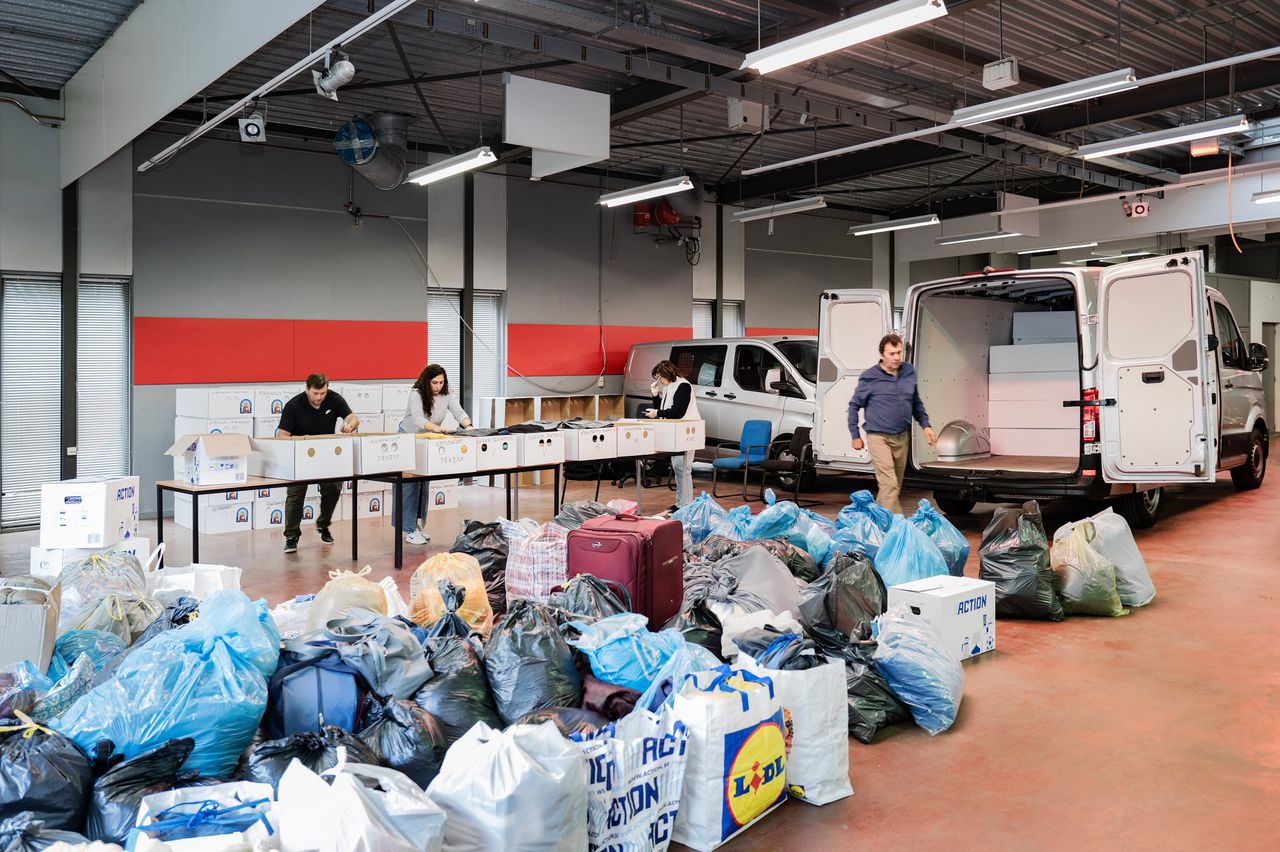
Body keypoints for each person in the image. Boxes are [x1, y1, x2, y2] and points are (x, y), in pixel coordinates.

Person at [848, 333, 936, 517]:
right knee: (890, 484)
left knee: (893, 487)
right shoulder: (869, 377)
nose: (896, 357)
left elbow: (916, 402)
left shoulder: (908, 372)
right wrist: (855, 435)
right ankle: (896, 528)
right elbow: (854, 405)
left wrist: (926, 426)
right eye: (891, 353)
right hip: (878, 437)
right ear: (882, 354)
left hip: (901, 437)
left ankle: (875, 524)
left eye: (898, 352)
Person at [277, 373, 360, 554]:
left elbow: (353, 418)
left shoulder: (335, 399)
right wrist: (296, 444)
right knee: (296, 494)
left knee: (334, 488)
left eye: (322, 393)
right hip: (300, 455)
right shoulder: (293, 405)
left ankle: (323, 525)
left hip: (326, 455)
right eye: (315, 393)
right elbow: (282, 434)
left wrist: (349, 426)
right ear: (307, 390)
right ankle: (291, 536)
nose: (319, 397)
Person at [396, 364, 473, 545]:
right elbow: (417, 418)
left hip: (428, 439)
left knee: (423, 484)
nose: (438, 386)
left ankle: (416, 526)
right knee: (409, 486)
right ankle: (408, 529)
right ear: (426, 381)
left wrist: (468, 425)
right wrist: (436, 428)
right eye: (434, 382)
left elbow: (458, 412)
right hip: (410, 438)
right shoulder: (416, 394)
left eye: (441, 382)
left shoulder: (447, 394)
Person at [645, 359, 700, 510]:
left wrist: (657, 412)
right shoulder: (669, 386)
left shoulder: (683, 386)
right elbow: (663, 410)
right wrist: (655, 396)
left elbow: (677, 412)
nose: (659, 381)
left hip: (687, 431)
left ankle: (686, 504)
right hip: (676, 432)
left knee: (684, 467)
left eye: (659, 377)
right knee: (678, 467)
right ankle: (680, 502)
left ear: (666, 373)